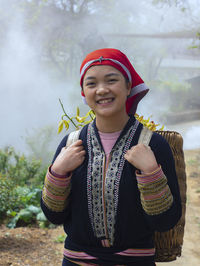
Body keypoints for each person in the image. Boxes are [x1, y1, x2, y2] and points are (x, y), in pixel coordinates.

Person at [41, 48, 182, 266]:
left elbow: (165, 221)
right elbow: (54, 216)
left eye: (111, 80)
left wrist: (151, 173)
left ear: (128, 86)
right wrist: (58, 172)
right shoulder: (70, 145)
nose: (102, 90)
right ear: (83, 93)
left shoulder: (154, 146)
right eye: (91, 83)